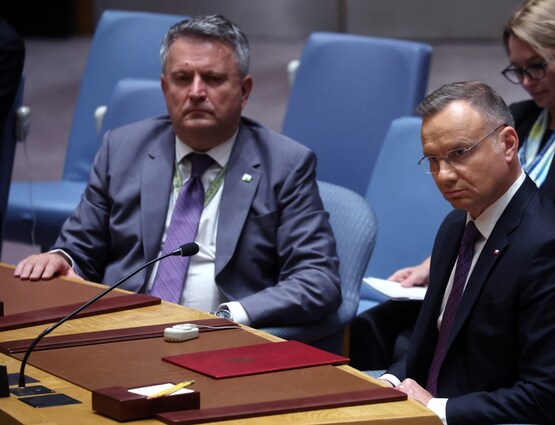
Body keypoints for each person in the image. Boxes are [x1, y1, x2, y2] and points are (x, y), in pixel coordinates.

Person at [350, 0, 555, 370]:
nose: (527, 81)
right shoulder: (525, 117)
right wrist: (437, 263)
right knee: (374, 326)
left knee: (417, 348)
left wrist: (496, 273)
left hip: (552, 294)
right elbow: (490, 215)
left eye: (537, 66)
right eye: (518, 69)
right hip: (497, 272)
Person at [13, 15, 341, 328]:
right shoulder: (123, 149)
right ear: (165, 87)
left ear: (244, 91)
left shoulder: (285, 164)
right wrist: (61, 258)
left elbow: (318, 280)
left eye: (212, 79)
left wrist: (231, 316)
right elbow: (79, 248)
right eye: (182, 79)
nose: (196, 92)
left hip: (221, 341)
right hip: (119, 329)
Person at [378, 81, 555, 424]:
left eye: (460, 153)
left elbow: (550, 398)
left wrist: (436, 409)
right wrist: (389, 383)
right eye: (433, 160)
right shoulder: (455, 226)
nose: (444, 175)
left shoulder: (551, 250)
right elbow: (431, 343)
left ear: (508, 143)